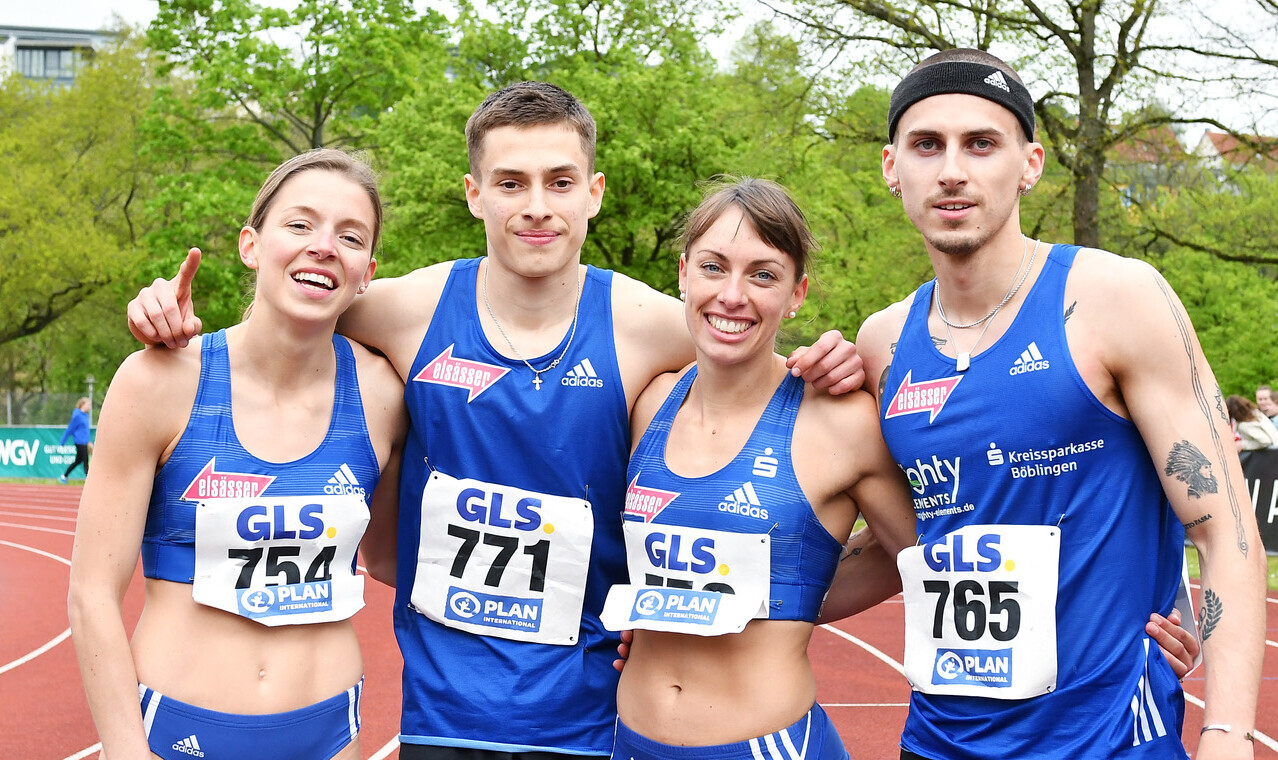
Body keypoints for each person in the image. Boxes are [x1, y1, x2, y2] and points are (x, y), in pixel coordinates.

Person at [124, 82, 864, 759]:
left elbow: (751, 343)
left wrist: (835, 360)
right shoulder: (402, 311)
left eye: (559, 182)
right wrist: (172, 318)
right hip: (439, 715)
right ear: (475, 194)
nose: (535, 206)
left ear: (593, 193)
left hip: (586, 719)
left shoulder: (651, 325)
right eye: (511, 183)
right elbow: (288, 307)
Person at [843, 49, 1265, 759]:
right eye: (926, 145)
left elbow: (1226, 534)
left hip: (1106, 742)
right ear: (892, 168)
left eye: (981, 143)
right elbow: (903, 545)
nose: (952, 169)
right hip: (938, 740)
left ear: (1029, 163)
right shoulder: (882, 343)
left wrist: (1227, 734)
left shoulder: (1113, 299)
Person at [70, 149, 408, 760]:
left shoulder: (387, 396)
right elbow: (92, 591)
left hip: (332, 735)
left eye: (350, 236)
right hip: (176, 733)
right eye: (300, 224)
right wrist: (125, 751)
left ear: (367, 273)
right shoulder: (159, 382)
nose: (324, 246)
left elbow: (400, 555)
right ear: (251, 245)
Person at [602, 179, 919, 760]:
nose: (732, 295)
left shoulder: (838, 419)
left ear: (797, 293)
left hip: (766, 746)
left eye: (763, 275)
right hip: (630, 741)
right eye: (714, 267)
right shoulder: (647, 403)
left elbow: (917, 559)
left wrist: (790, 600)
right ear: (682, 274)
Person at [59, 396, 93, 483]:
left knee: (78, 461)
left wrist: (88, 441)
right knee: (85, 460)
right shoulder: (77, 415)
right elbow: (70, 429)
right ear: (82, 405)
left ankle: (64, 476)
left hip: (85, 442)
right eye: (88, 405)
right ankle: (89, 481)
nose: (89, 407)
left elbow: (85, 430)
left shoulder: (85, 416)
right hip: (79, 442)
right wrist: (63, 441)